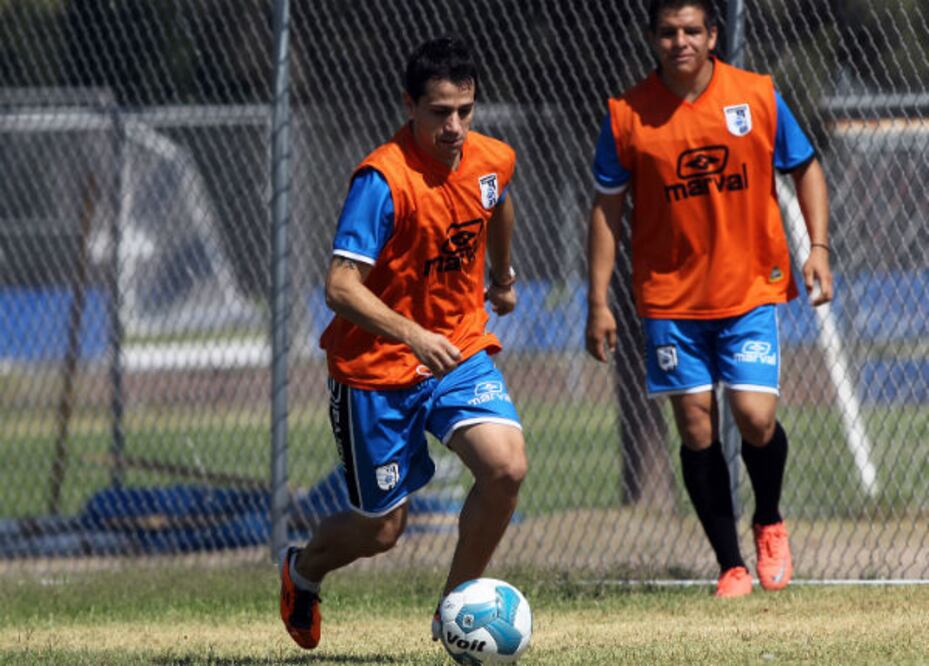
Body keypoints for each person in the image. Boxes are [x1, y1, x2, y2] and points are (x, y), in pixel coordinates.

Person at [279, 36, 527, 649]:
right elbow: (340, 286)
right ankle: (302, 570)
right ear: (409, 106)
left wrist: (502, 277)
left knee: (506, 469)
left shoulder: (491, 158)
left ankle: (454, 611)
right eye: (440, 112)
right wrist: (414, 334)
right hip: (376, 370)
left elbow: (497, 203)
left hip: (459, 349)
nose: (455, 126)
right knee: (384, 530)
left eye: (465, 111)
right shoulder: (382, 180)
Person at [585, 0, 833, 597]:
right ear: (651, 38)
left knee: (754, 417)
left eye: (692, 30)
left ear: (713, 34)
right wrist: (597, 300)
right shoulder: (627, 115)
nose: (680, 42)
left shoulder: (756, 95)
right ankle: (731, 565)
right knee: (696, 427)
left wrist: (818, 245)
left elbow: (805, 166)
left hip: (748, 288)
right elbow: (605, 208)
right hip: (669, 300)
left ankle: (769, 520)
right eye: (668, 32)